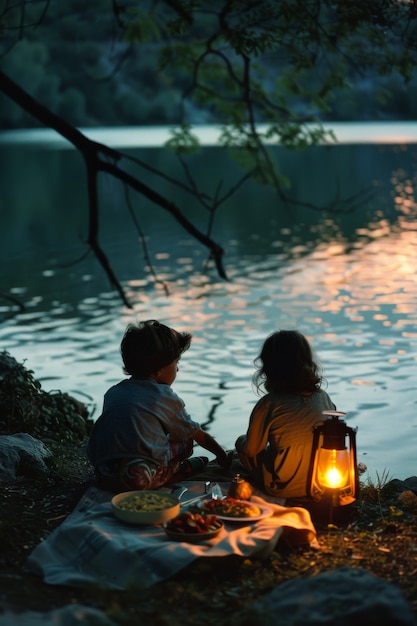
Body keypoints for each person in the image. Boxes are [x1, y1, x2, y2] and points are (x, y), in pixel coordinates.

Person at [87, 320, 232, 492]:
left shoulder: (113, 392)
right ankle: (178, 471)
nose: (177, 369)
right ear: (158, 370)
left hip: (105, 475)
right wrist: (221, 455)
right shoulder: (164, 397)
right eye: (176, 363)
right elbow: (197, 434)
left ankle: (167, 471)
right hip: (141, 479)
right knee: (185, 438)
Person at [235, 329, 337, 500]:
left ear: (268, 368)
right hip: (320, 484)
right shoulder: (324, 397)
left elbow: (252, 450)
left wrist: (241, 442)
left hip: (281, 488)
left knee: (243, 444)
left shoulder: (269, 404)